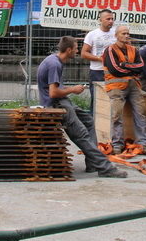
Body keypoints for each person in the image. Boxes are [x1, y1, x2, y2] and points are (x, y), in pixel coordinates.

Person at [37, 36, 126, 178]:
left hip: (62, 100)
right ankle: (105, 168)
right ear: (69, 50)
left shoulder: (55, 60)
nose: (78, 51)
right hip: (56, 104)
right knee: (82, 134)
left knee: (89, 121)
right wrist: (73, 90)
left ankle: (92, 163)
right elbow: (53, 93)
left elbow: (55, 88)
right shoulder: (55, 64)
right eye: (76, 48)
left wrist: (72, 88)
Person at [102, 25, 146, 154]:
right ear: (116, 35)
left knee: (141, 112)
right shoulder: (110, 50)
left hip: (133, 85)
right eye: (123, 33)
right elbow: (114, 69)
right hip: (116, 87)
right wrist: (131, 68)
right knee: (117, 115)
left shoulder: (134, 50)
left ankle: (143, 144)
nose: (126, 35)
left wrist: (124, 65)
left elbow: (141, 66)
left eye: (127, 33)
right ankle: (117, 144)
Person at [81, 9, 118, 142]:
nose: (111, 21)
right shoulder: (92, 35)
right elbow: (84, 53)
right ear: (100, 20)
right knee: (96, 102)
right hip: (97, 71)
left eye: (112, 19)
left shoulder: (116, 34)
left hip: (113, 72)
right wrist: (100, 59)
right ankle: (93, 134)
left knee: (114, 100)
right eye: (108, 19)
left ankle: (110, 132)